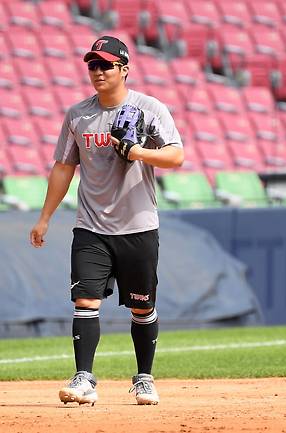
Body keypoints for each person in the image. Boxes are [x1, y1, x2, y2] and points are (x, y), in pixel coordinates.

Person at [30, 36, 184, 406]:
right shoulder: (78, 115)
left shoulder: (149, 108)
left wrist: (138, 151)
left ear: (124, 69)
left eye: (106, 65)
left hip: (138, 224)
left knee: (142, 306)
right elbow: (64, 167)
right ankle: (84, 378)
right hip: (91, 226)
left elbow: (176, 156)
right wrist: (45, 217)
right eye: (92, 65)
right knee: (84, 300)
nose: (97, 71)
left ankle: (144, 378)